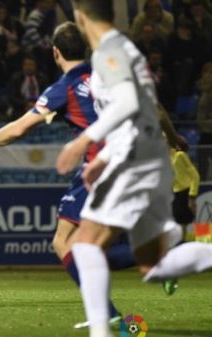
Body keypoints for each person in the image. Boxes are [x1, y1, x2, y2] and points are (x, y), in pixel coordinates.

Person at [0, 22, 133, 328]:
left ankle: (114, 305)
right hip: (131, 159)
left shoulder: (63, 89)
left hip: (99, 166)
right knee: (88, 248)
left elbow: (19, 128)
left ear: (55, 52)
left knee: (64, 243)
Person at [56, 2, 212, 337]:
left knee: (82, 245)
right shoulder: (116, 50)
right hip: (134, 156)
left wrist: (86, 143)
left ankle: (106, 327)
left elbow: (130, 106)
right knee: (142, 263)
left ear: (82, 18)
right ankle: (109, 325)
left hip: (134, 160)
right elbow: (146, 108)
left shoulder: (111, 53)